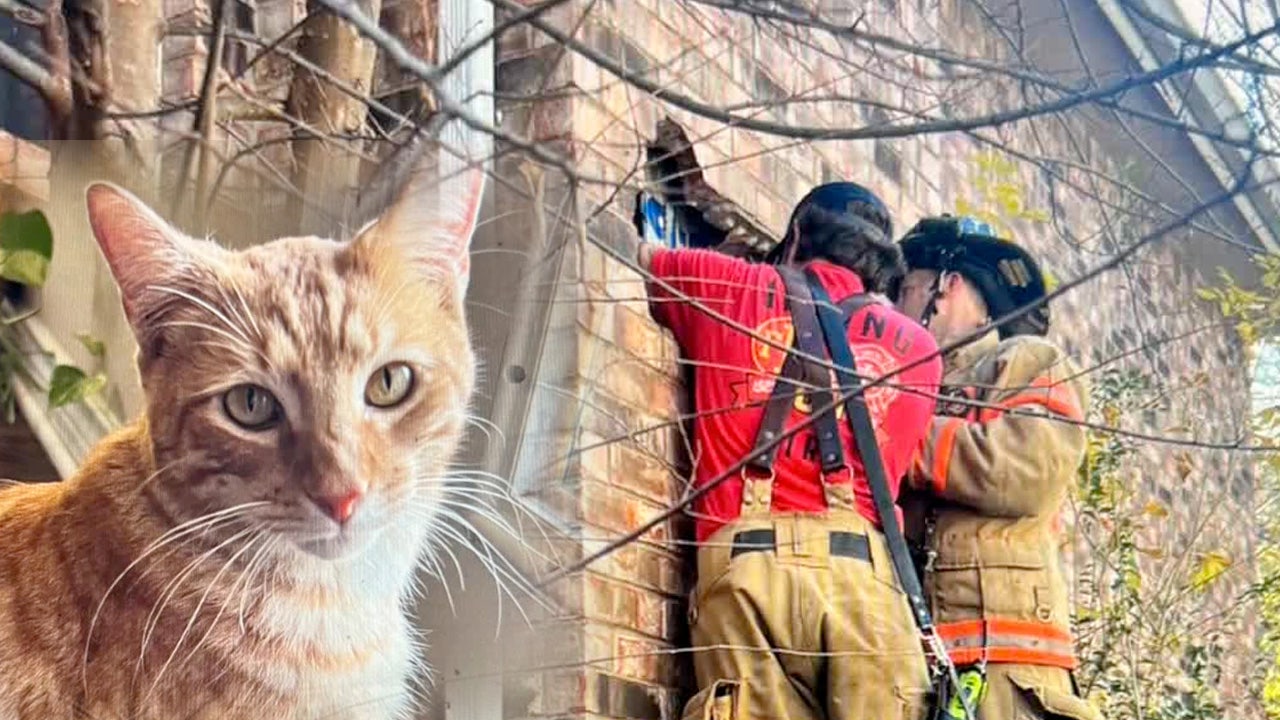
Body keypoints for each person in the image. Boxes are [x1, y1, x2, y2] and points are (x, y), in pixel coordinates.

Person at [637, 182, 943, 720]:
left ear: (797, 235)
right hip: (865, 584)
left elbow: (637, 259)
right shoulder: (919, 350)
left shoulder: (725, 284)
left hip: (747, 575)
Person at [893, 215, 1102, 720]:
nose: (898, 306)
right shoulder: (917, 379)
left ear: (948, 285)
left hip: (1007, 667)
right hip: (924, 664)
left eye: (907, 289)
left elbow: (1023, 469)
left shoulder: (1025, 360)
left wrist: (898, 428)